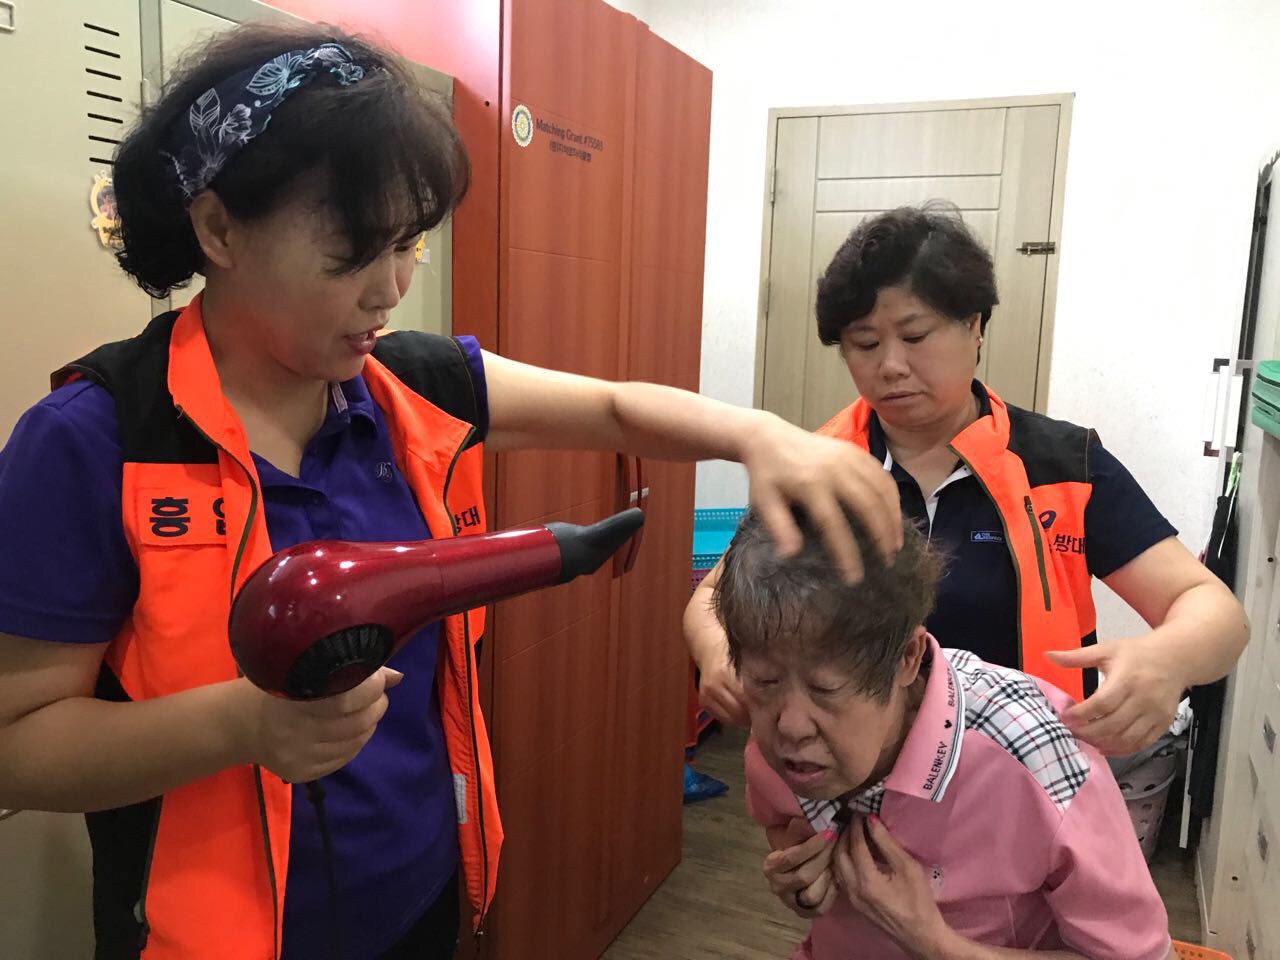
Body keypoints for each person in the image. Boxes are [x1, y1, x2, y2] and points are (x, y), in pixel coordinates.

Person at [0, 22, 903, 960]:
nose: (389, 289)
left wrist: (761, 435)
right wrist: (242, 727)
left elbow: (614, 408)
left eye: (409, 245)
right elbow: (16, 746)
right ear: (219, 227)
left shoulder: (412, 387)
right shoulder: (97, 440)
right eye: (353, 250)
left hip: (419, 903)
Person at [688, 203, 1248, 758]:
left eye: (915, 335)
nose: (890, 365)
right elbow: (713, 595)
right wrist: (716, 653)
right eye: (865, 343)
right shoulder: (818, 465)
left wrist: (1169, 658)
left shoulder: (1062, 466)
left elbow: (1212, 608)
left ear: (974, 326)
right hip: (848, 783)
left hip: (1025, 777)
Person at [715, 508, 1176, 960]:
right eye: (765, 681)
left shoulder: (1036, 758)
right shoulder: (776, 739)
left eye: (826, 689)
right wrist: (799, 873)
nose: (791, 727)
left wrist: (935, 943)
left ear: (906, 658)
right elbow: (780, 821)